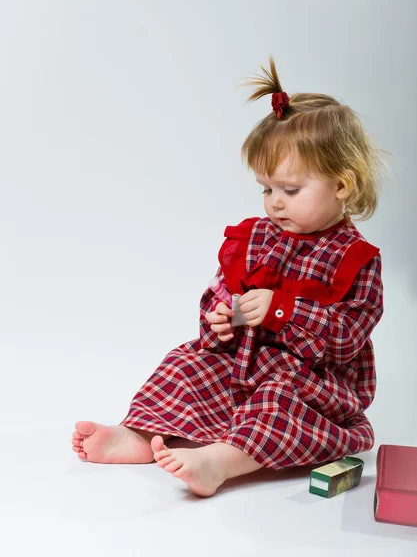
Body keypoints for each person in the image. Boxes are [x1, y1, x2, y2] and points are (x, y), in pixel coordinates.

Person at [72, 56, 387, 498]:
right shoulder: (254, 237)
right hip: (242, 363)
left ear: (342, 185)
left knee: (277, 403)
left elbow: (347, 337)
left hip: (310, 383)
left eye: (290, 191)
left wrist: (282, 309)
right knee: (185, 364)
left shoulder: (354, 259)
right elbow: (219, 294)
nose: (274, 203)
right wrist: (220, 320)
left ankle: (223, 460)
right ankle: (139, 436)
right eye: (266, 188)